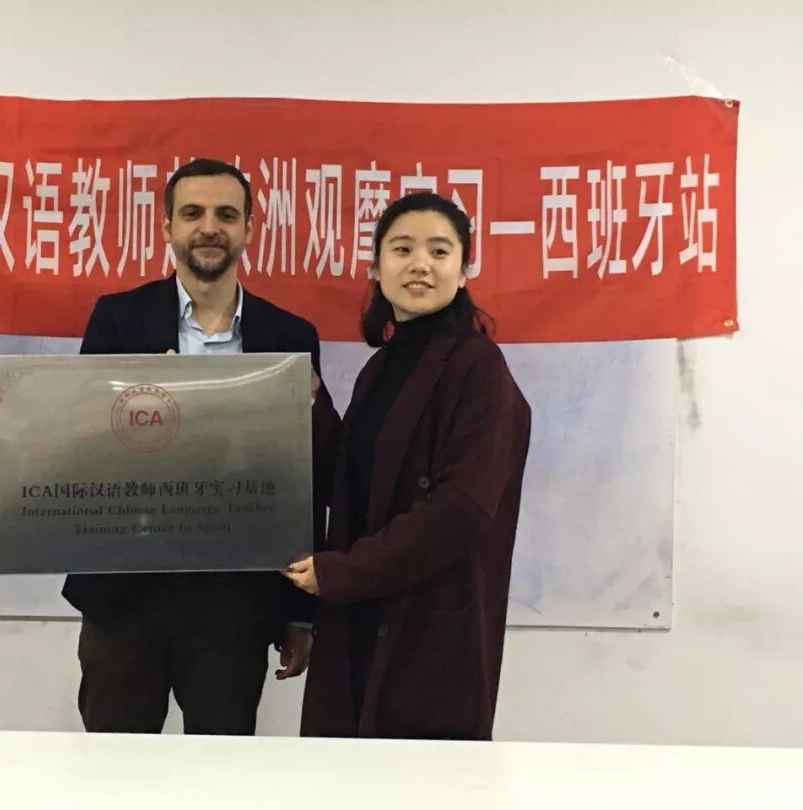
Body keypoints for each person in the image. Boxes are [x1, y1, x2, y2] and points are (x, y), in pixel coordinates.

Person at [62, 158, 340, 735]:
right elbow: (82, 446)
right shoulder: (117, 320)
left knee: (220, 771)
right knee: (112, 770)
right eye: (192, 213)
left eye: (226, 215)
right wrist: (141, 409)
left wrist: (300, 614)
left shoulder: (289, 336)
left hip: (233, 604)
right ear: (167, 226)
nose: (209, 228)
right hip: (125, 596)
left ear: (249, 228)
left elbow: (305, 480)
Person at [285, 191, 531, 740]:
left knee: (421, 778)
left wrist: (345, 572)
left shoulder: (479, 368)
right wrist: (308, 404)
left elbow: (461, 510)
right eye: (402, 249)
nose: (420, 263)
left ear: (462, 273)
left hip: (429, 630)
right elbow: (356, 482)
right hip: (361, 619)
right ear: (375, 267)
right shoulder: (381, 368)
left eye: (439, 252)